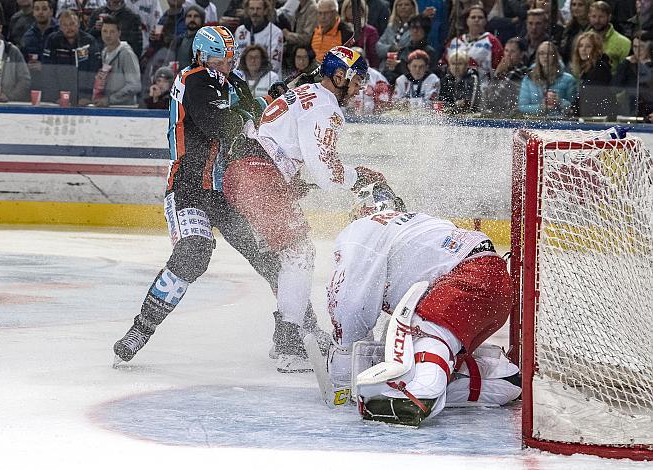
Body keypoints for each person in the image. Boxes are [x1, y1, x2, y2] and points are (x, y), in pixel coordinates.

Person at [112, 26, 285, 366]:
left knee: (269, 255)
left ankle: (294, 330)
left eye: (230, 59)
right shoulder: (193, 80)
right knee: (194, 253)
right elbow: (218, 124)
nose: (227, 65)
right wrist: (255, 110)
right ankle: (140, 330)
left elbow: (254, 118)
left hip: (225, 191)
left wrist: (271, 100)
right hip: (188, 188)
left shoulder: (232, 83)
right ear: (202, 56)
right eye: (220, 59)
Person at [222, 46, 386, 372]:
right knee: (300, 253)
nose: (360, 87)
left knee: (293, 254)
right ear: (339, 76)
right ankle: (289, 345)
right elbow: (325, 170)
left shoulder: (304, 92)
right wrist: (358, 177)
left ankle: (289, 335)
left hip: (244, 170)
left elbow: (285, 144)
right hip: (258, 173)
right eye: (356, 79)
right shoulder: (327, 111)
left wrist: (289, 182)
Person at [325, 182, 519, 426]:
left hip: (467, 281)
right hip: (493, 284)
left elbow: (350, 304)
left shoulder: (362, 229)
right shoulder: (414, 223)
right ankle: (502, 379)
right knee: (402, 343)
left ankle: (418, 394)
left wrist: (344, 363)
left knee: (418, 332)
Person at [42, 9, 101, 105]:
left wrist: (87, 97)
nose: (69, 28)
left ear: (78, 24)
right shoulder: (52, 40)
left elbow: (95, 71)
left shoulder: (89, 41)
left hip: (84, 99)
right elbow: (48, 72)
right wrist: (55, 97)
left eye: (72, 24)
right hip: (59, 99)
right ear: (60, 27)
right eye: (65, 25)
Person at [444, 4, 503, 86]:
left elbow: (498, 67)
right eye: (473, 17)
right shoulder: (454, 42)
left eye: (480, 17)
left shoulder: (492, 42)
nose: (476, 20)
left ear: (486, 20)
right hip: (454, 88)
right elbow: (444, 65)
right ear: (467, 20)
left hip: (481, 88)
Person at [91, 14, 141, 106]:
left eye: (112, 31)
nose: (108, 35)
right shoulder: (104, 52)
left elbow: (135, 85)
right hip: (107, 107)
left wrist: (110, 100)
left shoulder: (126, 54)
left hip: (125, 109)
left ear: (119, 33)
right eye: (105, 31)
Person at [518, 41, 577, 116]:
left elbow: (574, 109)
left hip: (561, 123)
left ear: (555, 56)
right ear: (537, 57)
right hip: (534, 122)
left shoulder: (569, 80)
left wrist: (559, 102)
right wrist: (541, 108)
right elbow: (522, 107)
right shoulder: (528, 79)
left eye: (549, 53)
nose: (545, 56)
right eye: (542, 53)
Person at [381, 14, 437, 85]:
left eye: (418, 28)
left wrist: (400, 66)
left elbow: (426, 76)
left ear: (425, 31)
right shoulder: (403, 50)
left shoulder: (430, 52)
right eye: (412, 27)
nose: (414, 31)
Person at [570, 30, 615, 118]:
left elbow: (591, 98)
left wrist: (574, 110)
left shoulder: (600, 69)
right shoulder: (588, 70)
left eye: (588, 46)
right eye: (580, 46)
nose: (583, 49)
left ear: (596, 49)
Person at [235, 0, 283, 77]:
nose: (255, 12)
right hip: (244, 81)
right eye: (252, 8)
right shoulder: (240, 31)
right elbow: (236, 61)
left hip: (269, 80)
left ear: (265, 11)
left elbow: (274, 64)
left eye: (258, 9)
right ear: (247, 10)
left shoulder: (275, 32)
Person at [483, 36, 529, 116]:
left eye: (512, 51)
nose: (508, 55)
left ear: (521, 54)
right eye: (506, 51)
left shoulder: (518, 72)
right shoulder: (508, 71)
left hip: (509, 117)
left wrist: (497, 73)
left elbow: (492, 101)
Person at [19, 0, 57, 91]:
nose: (40, 12)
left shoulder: (60, 33)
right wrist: (26, 66)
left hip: (56, 85)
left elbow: (66, 63)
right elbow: (21, 61)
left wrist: (44, 66)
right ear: (33, 12)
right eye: (37, 9)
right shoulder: (27, 36)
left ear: (51, 11)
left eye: (44, 9)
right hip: (33, 84)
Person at [613, 36, 653, 119]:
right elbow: (614, 88)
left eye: (642, 46)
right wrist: (625, 64)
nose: (638, 51)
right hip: (630, 113)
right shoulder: (627, 65)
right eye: (635, 47)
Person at [588, 1, 631, 74]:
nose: (597, 21)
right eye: (594, 16)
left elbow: (625, 72)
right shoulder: (582, 40)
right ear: (589, 16)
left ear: (609, 17)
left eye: (601, 17)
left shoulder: (624, 42)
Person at [0, 12, 30, 101]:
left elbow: (24, 80)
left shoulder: (12, 51)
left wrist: (9, 96)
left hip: (6, 105)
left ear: (0, 29)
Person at [376, 0, 418, 67]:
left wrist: (399, 50)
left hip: (405, 68)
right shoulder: (390, 27)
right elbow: (378, 47)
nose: (403, 7)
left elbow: (412, 50)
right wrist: (390, 48)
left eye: (406, 5)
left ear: (413, 8)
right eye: (400, 5)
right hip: (385, 67)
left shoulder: (417, 28)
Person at [340, 0, 379, 68]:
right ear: (345, 10)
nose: (353, 10)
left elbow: (373, 57)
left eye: (357, 7)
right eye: (350, 7)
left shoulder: (371, 31)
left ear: (363, 11)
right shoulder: (339, 29)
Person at [172, 3, 204, 70]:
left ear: (202, 20)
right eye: (189, 16)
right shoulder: (179, 40)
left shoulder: (204, 42)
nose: (192, 19)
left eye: (196, 16)